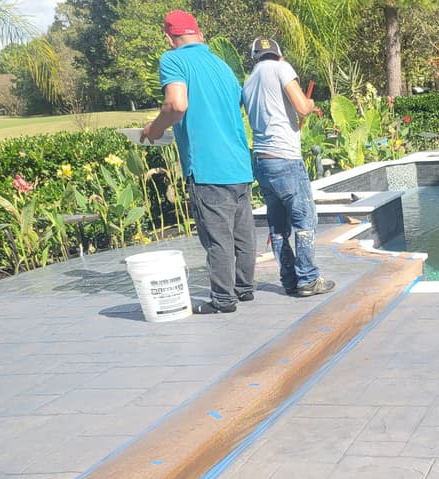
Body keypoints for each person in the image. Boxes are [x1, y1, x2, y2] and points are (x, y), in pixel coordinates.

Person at [141, 10, 256, 314]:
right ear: (199, 34)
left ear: (169, 37)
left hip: (208, 166)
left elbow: (177, 104)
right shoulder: (222, 65)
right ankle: (244, 288)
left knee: (217, 238)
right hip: (239, 163)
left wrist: (155, 128)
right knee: (242, 234)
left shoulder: (173, 60)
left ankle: (223, 299)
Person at [242, 36, 335, 297]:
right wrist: (311, 105)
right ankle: (308, 279)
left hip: (262, 161)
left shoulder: (248, 81)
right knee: (305, 220)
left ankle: (290, 280)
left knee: (278, 226)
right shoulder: (281, 68)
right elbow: (302, 107)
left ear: (254, 58)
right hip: (285, 158)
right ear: (279, 55)